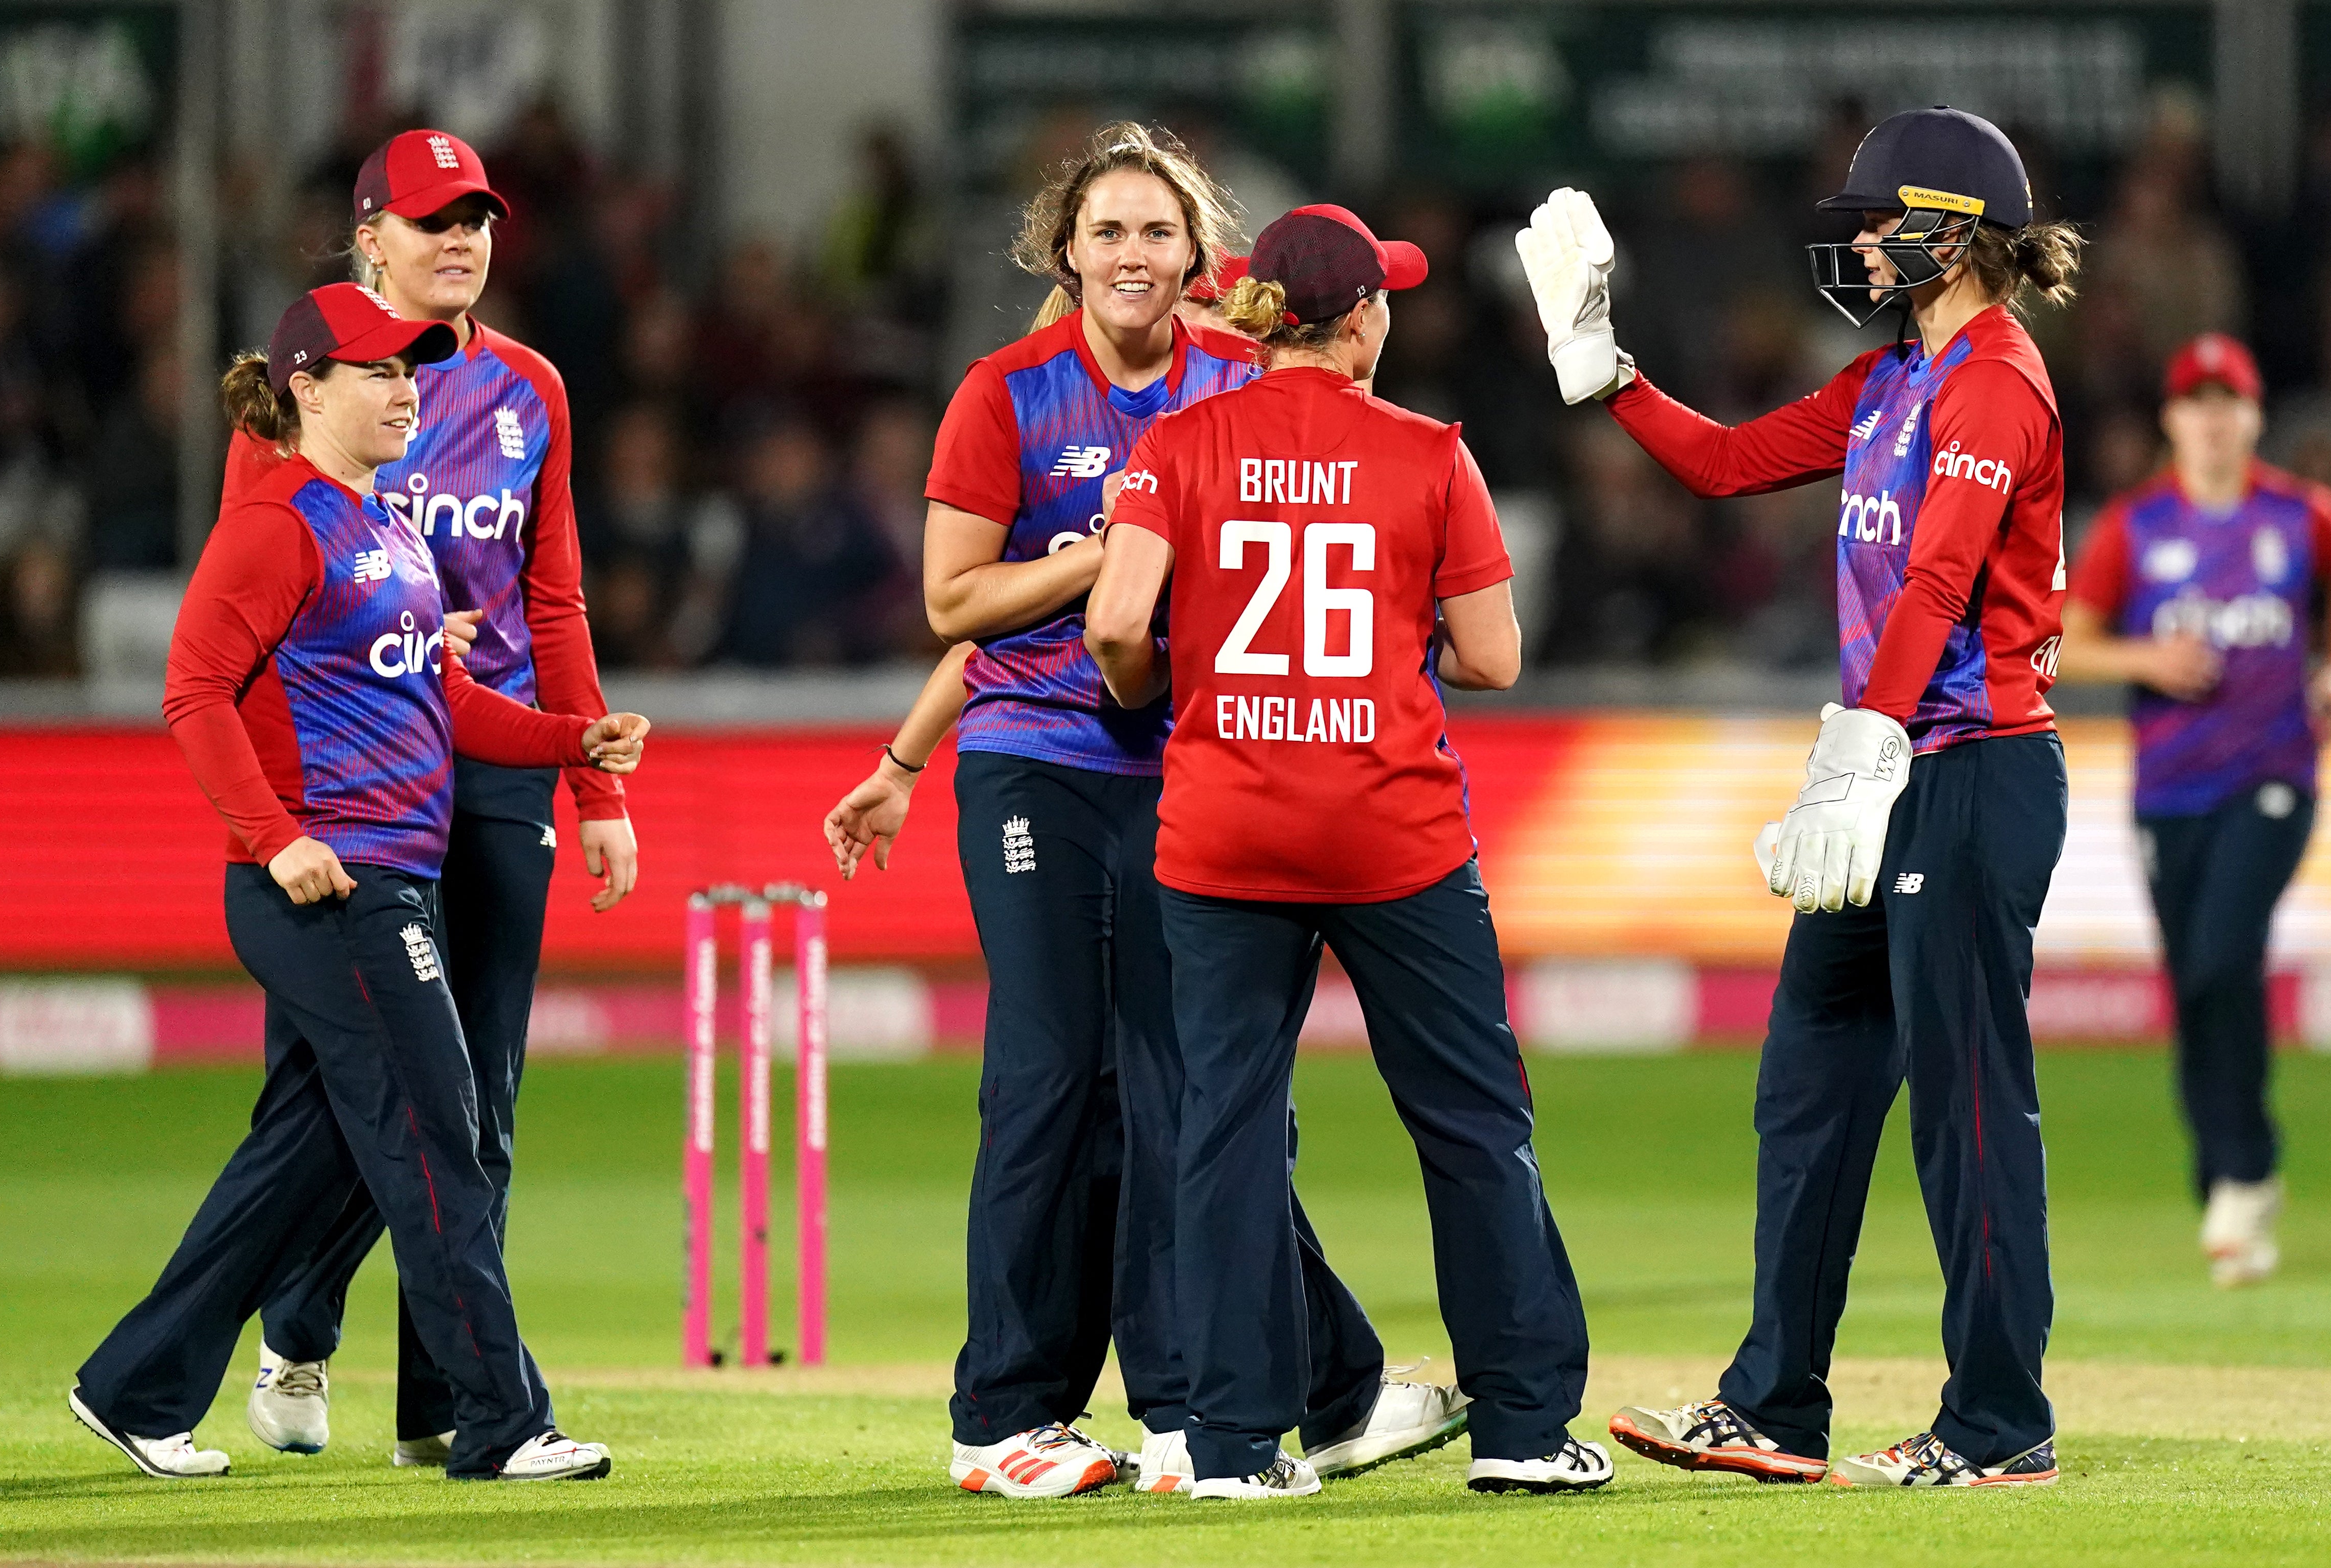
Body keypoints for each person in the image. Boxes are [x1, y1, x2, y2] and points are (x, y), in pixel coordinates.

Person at [882, 123, 1461, 1499]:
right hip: (1040, 760)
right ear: (1064, 252)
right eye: (1108, 233)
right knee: (1049, 1076)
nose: (1132, 255)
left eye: (1157, 233)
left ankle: (1209, 1406)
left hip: (1194, 772)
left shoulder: (1232, 383)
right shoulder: (1006, 393)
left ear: (1202, 259)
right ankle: (1006, 1417)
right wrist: (1090, 568)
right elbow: (953, 605)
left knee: (1187, 1094)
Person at [1527, 108, 2080, 1487]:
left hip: (1964, 770)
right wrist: (1607, 375)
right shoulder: (1894, 374)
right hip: (1896, 762)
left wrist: (1861, 749)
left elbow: (1944, 581)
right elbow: (1726, 464)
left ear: (1950, 230)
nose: (1857, 242)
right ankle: (1774, 1403)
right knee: (1810, 1089)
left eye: (1880, 217)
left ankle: (1999, 1427)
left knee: (1964, 1109)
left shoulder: (1994, 378)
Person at [69, 283, 647, 1482]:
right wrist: (274, 836)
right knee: (440, 1129)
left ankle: (132, 1386)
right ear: (305, 389)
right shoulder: (277, 524)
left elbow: (439, 700)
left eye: (412, 371)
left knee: (311, 1152)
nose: (405, 389)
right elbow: (192, 690)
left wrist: (568, 741)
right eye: (377, 371)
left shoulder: (381, 522)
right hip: (331, 886)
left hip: (387, 875)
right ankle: (500, 1418)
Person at [1084, 203, 1607, 1500]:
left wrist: (1177, 686)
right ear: (1364, 315)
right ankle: (1525, 1433)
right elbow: (1492, 655)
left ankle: (1230, 1447)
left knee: (1228, 1134)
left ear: (1263, 318)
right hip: (1395, 833)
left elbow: (1110, 628)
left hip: (1225, 835)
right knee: (1475, 1125)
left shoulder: (1176, 443)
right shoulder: (1431, 453)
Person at [232, 129, 633, 1467]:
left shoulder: (530, 389)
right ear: (371, 240)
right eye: (431, 220)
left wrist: (594, 790)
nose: (460, 241)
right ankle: (295, 1341)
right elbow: (250, 610)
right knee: (349, 1089)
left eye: (478, 221)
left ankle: (447, 1406)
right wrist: (278, 812)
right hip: (356, 778)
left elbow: (553, 596)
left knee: (480, 1101)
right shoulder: (298, 392)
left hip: (497, 768)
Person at [2060, 332, 2331, 1286]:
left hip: (2273, 777)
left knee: (2219, 957)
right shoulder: (2136, 526)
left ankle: (2245, 1169)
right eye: (2193, 404)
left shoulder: (2296, 512)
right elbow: (2062, 643)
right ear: (2170, 420)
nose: (2210, 421)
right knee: (2196, 987)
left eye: (2226, 403)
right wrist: (2145, 661)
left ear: (2251, 418)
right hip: (2168, 793)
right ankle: (2224, 1182)